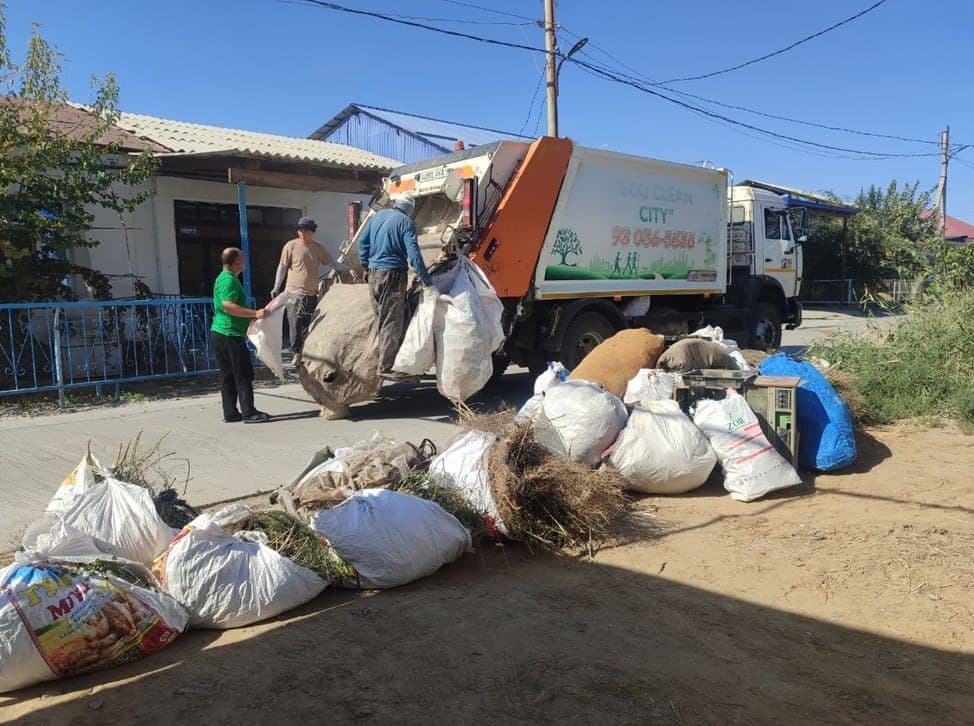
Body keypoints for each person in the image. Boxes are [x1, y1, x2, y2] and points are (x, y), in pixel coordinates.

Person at [357, 194, 432, 379]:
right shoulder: (405, 222)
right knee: (391, 320)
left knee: (380, 319)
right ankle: (386, 366)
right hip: (393, 274)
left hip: (374, 274)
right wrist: (425, 278)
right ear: (410, 209)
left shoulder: (377, 217)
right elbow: (413, 253)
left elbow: (362, 242)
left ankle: (375, 360)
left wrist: (366, 265)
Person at [270, 216, 353, 356]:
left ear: (312, 232)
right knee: (294, 325)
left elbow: (333, 264)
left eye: (305, 230)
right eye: (300, 230)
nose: (302, 233)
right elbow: (282, 267)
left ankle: (306, 354)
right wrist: (276, 287)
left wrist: (348, 268)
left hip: (311, 294)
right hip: (293, 294)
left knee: (308, 326)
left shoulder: (318, 248)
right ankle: (296, 353)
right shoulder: (290, 246)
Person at [210, 247, 270, 424]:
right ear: (236, 261)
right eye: (242, 258)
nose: (244, 261)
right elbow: (228, 306)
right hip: (229, 334)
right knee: (242, 374)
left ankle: (230, 412)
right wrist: (254, 314)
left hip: (220, 333)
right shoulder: (228, 281)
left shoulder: (224, 278)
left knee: (228, 375)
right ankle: (249, 412)